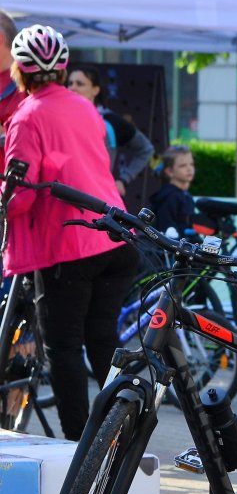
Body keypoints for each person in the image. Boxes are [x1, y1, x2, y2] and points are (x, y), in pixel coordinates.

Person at [2, 26, 140, 439]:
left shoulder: (25, 117)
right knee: (101, 340)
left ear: (19, 72)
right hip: (116, 235)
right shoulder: (84, 108)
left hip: (69, 243)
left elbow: (20, 197)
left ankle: (79, 443)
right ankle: (126, 428)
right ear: (62, 70)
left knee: (62, 346)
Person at [65, 65, 153, 198]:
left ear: (95, 90)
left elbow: (146, 149)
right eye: (70, 83)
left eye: (80, 84)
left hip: (97, 197)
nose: (73, 88)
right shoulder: (60, 118)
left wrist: (123, 179)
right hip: (64, 193)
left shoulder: (110, 121)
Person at [150, 145, 198, 234]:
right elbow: (167, 230)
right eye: (183, 166)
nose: (189, 169)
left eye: (191, 164)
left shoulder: (185, 195)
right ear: (169, 172)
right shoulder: (168, 197)